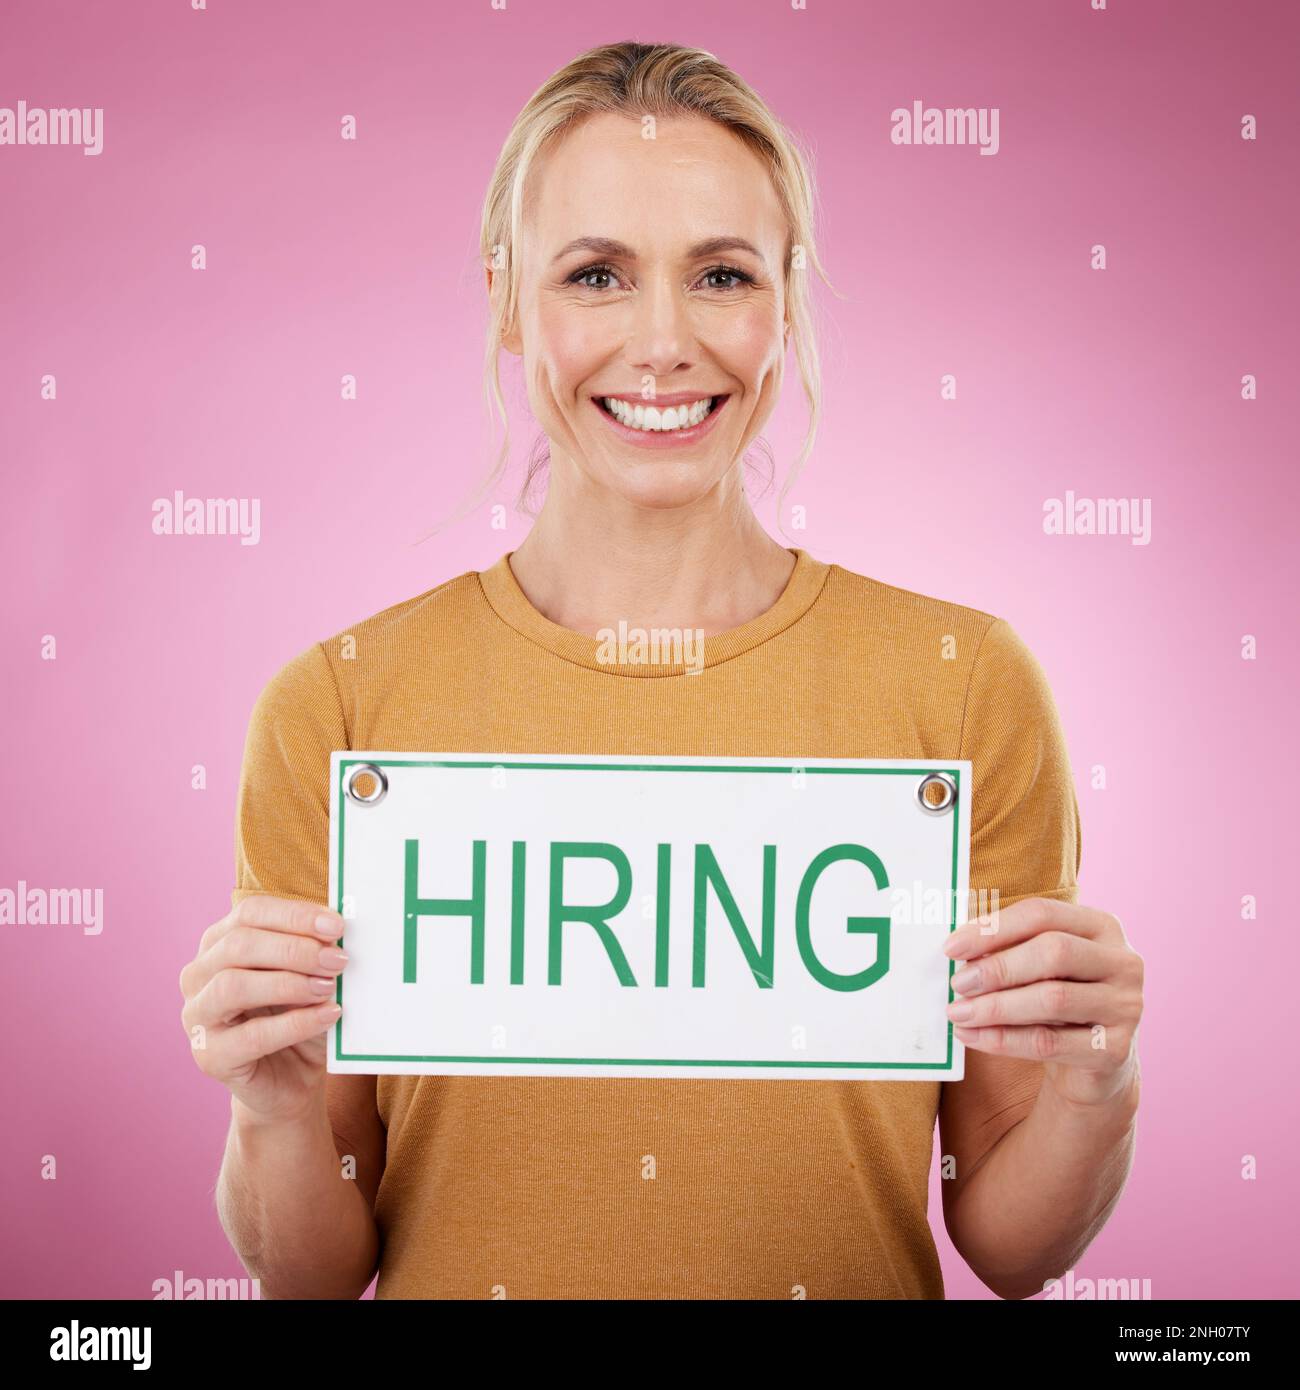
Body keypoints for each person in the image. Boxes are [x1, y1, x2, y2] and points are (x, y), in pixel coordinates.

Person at [179, 41, 1143, 1300]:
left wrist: (1097, 1082)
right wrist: (273, 1107)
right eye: (594, 275)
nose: (661, 343)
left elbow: (1014, 1248)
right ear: (507, 303)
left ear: (783, 302)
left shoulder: (959, 685)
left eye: (721, 274)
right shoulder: (340, 707)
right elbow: (312, 1276)